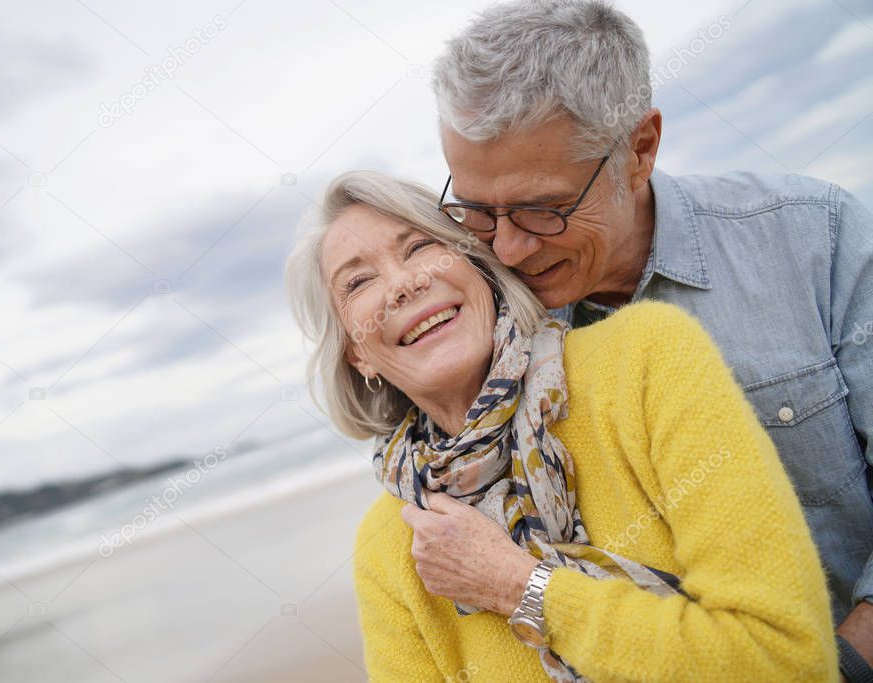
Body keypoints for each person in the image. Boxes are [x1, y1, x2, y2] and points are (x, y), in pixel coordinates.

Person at [418, 1, 873, 678]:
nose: (507, 249)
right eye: (478, 211)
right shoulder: (482, 330)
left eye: (545, 210)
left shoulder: (815, 239)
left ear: (639, 149)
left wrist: (840, 662)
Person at [284, 169, 836, 681]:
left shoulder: (646, 359)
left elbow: (785, 658)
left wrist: (518, 587)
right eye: (358, 284)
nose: (402, 285)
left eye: (420, 247)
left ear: (477, 265)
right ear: (358, 357)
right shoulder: (388, 547)